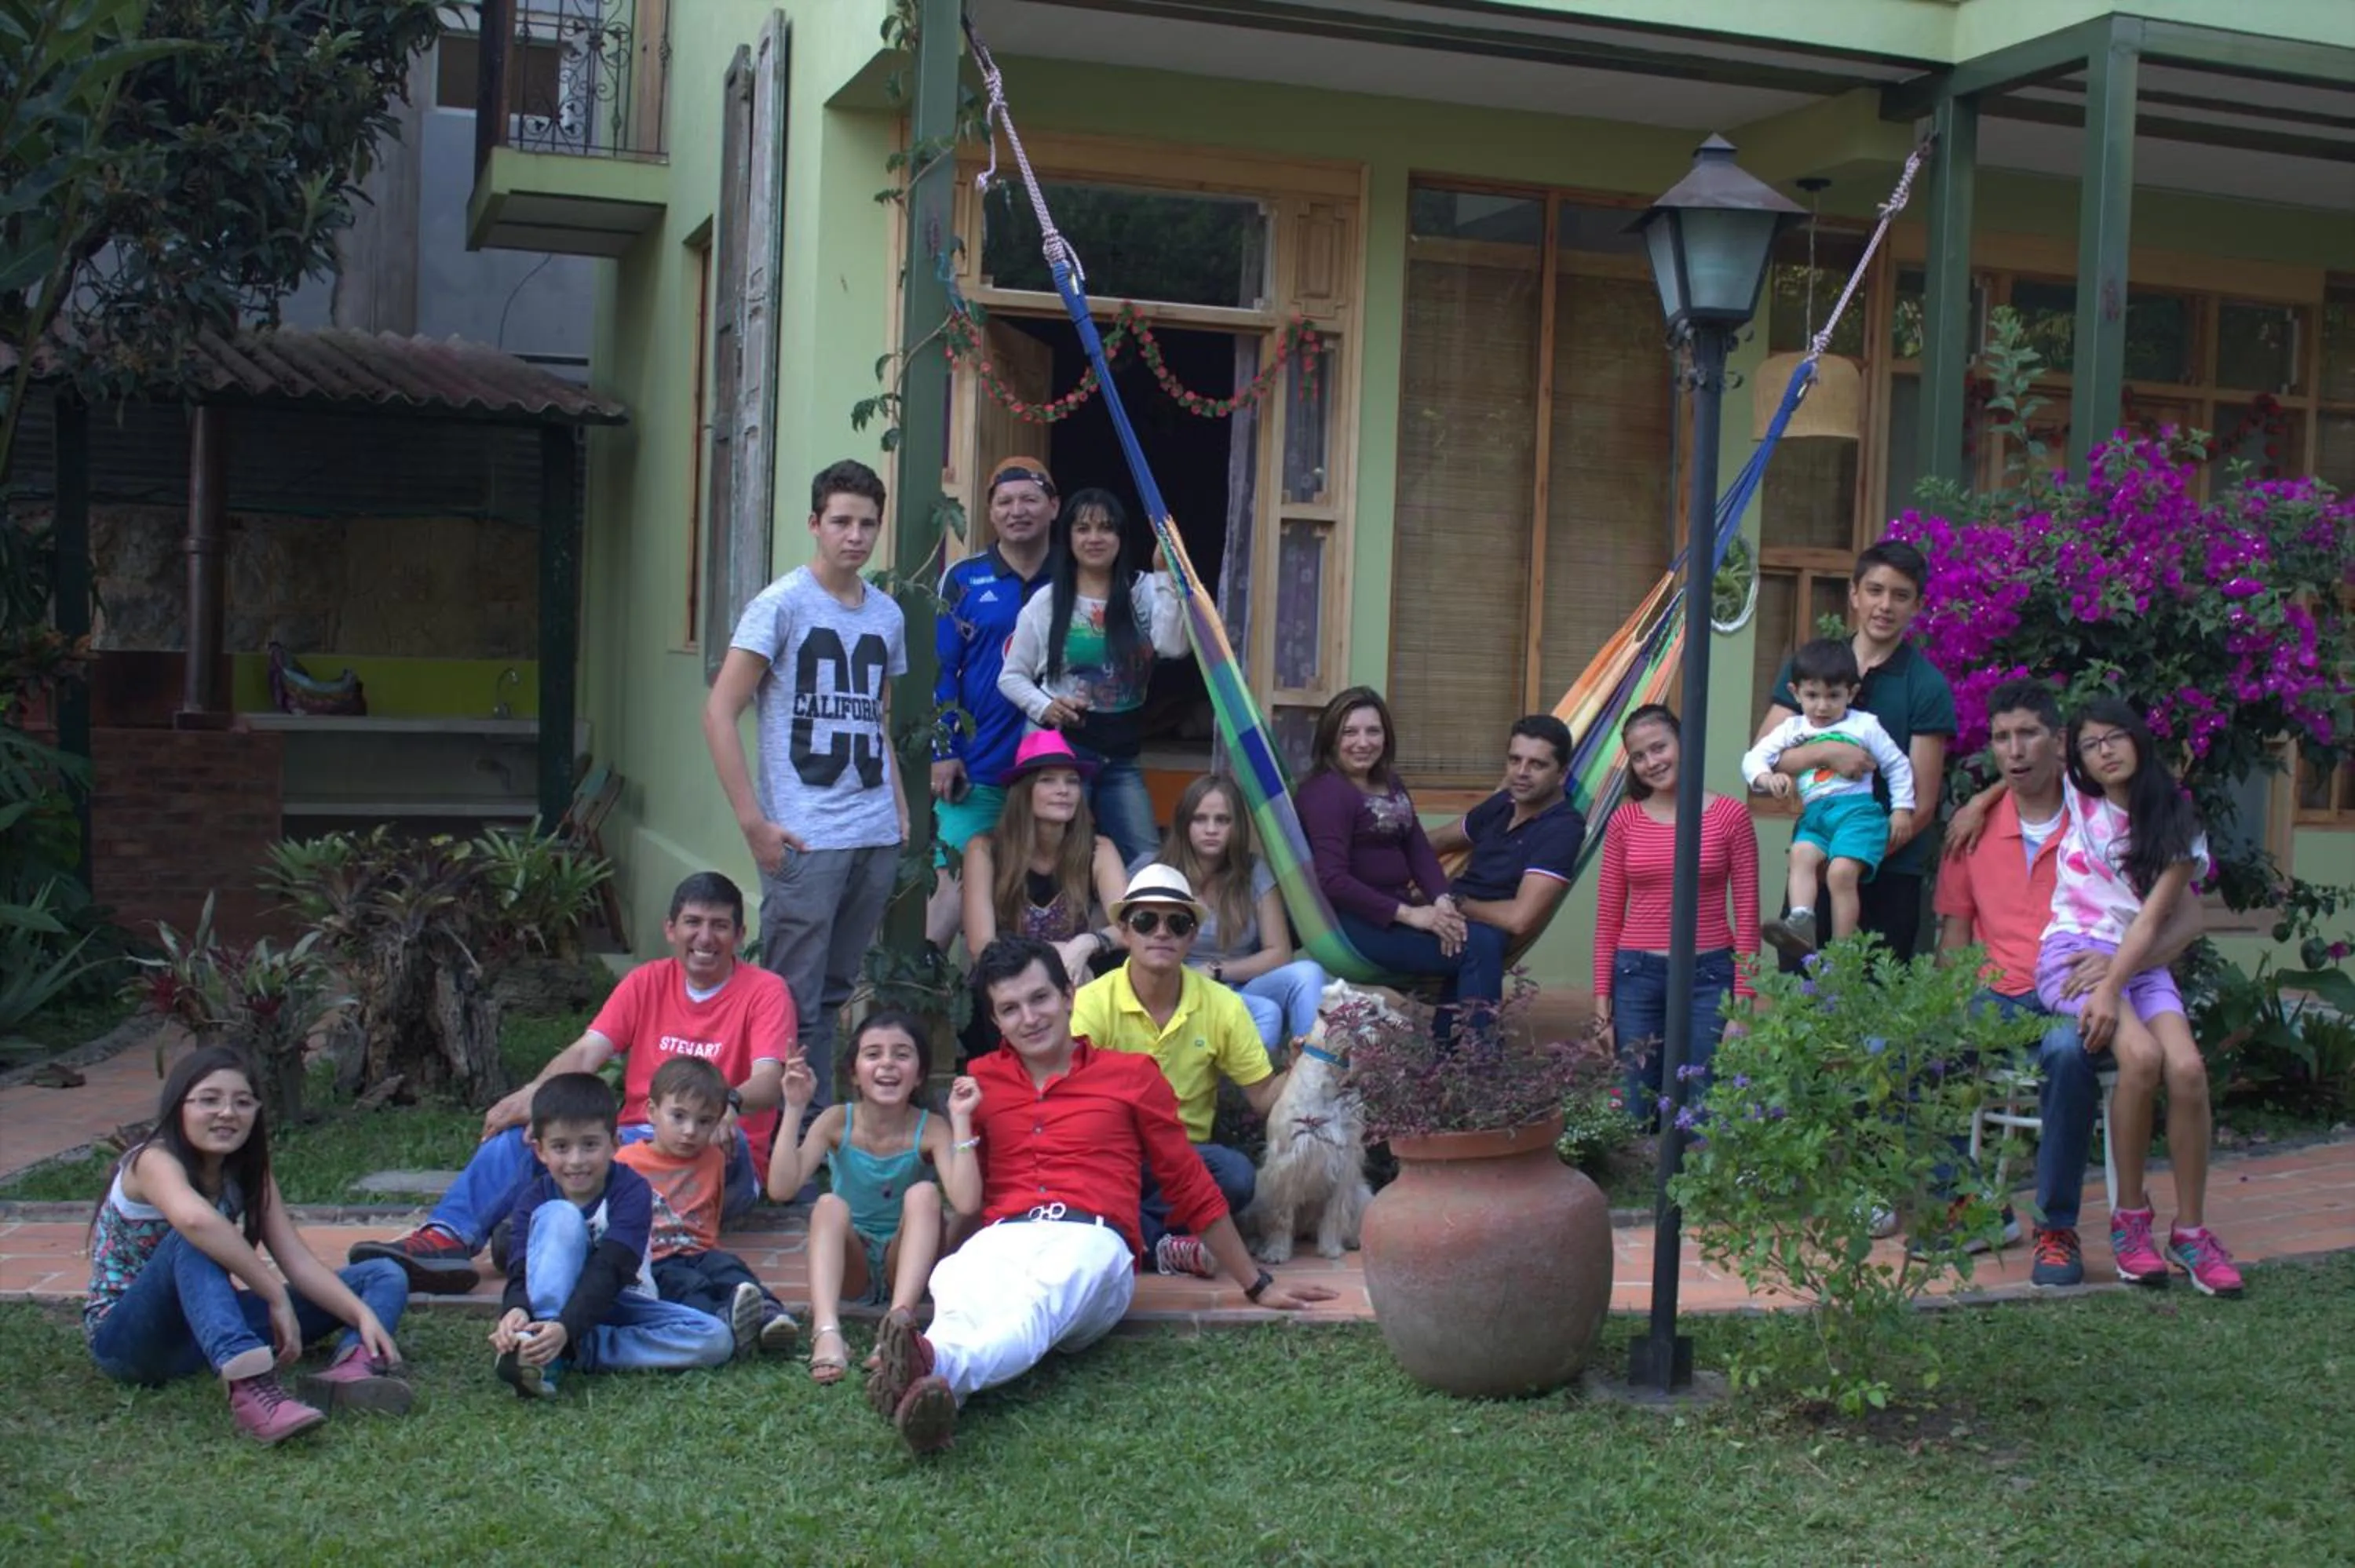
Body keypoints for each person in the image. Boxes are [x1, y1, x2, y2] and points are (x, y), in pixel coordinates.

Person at [860, 938, 1334, 1455]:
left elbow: (1188, 1183)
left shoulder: (1130, 1077)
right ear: (996, 1022)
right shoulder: (983, 1082)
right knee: (959, 1288)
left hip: (1093, 1242)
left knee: (1040, 1299)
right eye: (1010, 1009)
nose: (1030, 1018)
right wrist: (948, 1255)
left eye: (1039, 999)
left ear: (1069, 996)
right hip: (1007, 1233)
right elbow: (975, 1188)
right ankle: (933, 1395)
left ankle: (935, 1366)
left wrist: (1256, 1283)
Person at [351, 873, 790, 1292]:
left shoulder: (765, 991)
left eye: (720, 926)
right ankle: (444, 1240)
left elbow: (770, 1081)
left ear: (739, 933)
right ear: (671, 929)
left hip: (721, 1155)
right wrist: (536, 1097)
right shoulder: (646, 982)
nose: (705, 938)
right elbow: (587, 1052)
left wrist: (729, 1102)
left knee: (610, 1165)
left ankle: (535, 1237)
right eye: (693, 923)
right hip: (635, 1142)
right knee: (526, 1135)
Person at [1935, 680, 2207, 1287]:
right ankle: (1973, 1204)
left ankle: (2055, 1227)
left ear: (2061, 744)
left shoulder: (2099, 810)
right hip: (1998, 995)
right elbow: (1954, 942)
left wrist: (2120, 972)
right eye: (2001, 739)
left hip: (2076, 989)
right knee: (1904, 1049)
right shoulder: (1971, 833)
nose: (2014, 750)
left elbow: (2185, 912)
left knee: (2067, 1050)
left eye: (2028, 734)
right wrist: (1948, 1009)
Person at [705, 458, 910, 1135]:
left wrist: (899, 812)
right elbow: (720, 711)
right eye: (842, 522)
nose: (856, 536)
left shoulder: (885, 614)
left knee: (835, 989)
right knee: (788, 997)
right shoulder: (782, 604)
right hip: (804, 833)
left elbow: (876, 718)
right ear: (815, 524)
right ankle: (776, 1138)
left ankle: (816, 1134)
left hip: (872, 831)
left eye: (868, 524)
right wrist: (753, 823)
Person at [85, 1046, 411, 1444]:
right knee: (191, 1241)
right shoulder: (153, 1160)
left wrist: (361, 1316)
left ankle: (352, 1370)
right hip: (130, 1342)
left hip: (204, 1332)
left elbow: (298, 1262)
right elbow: (195, 1221)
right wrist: (273, 1295)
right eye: (209, 1100)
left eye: (242, 1102)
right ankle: (253, 1390)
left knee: (382, 1272)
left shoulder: (249, 1173)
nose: (227, 1113)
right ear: (178, 1108)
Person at [2033, 697, 2240, 1296]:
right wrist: (1977, 802)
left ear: (2139, 740)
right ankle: (2130, 1221)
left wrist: (2116, 979)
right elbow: (2027, 763)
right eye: (2091, 745)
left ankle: (2192, 1232)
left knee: (2188, 1068)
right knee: (2141, 1058)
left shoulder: (2176, 823)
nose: (2104, 752)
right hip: (2072, 956)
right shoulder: (2079, 801)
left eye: (2114, 737)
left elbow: (2154, 922)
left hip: (2134, 964)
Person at [1072, 864, 1285, 1278]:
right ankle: (1165, 1243)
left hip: (1184, 1158)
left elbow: (1263, 1099)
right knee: (1089, 1180)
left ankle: (1135, 1235)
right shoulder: (1091, 1003)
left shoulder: (1222, 1005)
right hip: (1114, 1154)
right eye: (1147, 920)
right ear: (1126, 931)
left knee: (1237, 1176)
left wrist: (1308, 1060)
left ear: (1191, 937)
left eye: (1178, 923)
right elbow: (1073, 1105)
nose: (1162, 932)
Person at [1751, 539, 1955, 964]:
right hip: (1815, 861)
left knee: (1872, 1010)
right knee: (1801, 997)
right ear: (1854, 594)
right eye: (1876, 590)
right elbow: (1766, 756)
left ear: (1917, 605)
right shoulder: (1813, 667)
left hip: (1887, 868)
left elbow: (1921, 802)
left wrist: (1853, 858)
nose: (1885, 605)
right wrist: (1825, 752)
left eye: (1900, 596)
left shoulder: (1926, 685)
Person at [489, 1074, 742, 1398]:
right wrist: (516, 1309)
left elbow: (611, 1268)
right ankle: (544, 1348)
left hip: (617, 1298)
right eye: (561, 1147)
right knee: (561, 1215)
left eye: (590, 1145)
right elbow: (521, 1268)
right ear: (540, 1151)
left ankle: (571, 1350)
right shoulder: (535, 1199)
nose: (576, 1161)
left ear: (615, 1143)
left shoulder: (632, 1191)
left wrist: (568, 1329)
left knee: (716, 1338)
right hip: (553, 1306)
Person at [768, 1008, 980, 1385]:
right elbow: (782, 1188)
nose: (887, 1064)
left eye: (902, 1054)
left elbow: (965, 1203)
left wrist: (960, 1119)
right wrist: (795, 1107)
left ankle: (896, 1328)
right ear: (854, 1073)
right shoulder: (836, 1120)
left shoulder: (930, 1127)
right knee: (828, 1205)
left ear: (919, 1074)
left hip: (907, 1260)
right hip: (853, 1267)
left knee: (925, 1194)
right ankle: (827, 1331)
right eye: (873, 1054)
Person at [996, 487, 1188, 864]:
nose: (1094, 538)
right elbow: (1011, 676)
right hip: (1061, 755)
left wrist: (1165, 575)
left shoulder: (1144, 590)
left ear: (1121, 537)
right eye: (1082, 528)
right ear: (1067, 538)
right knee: (1060, 857)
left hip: (1122, 754)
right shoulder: (1048, 601)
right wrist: (1046, 706)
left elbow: (1173, 647)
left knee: (1147, 859)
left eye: (1106, 528)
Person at [1590, 704, 1758, 1117]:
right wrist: (1601, 1006)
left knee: (1705, 1101)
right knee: (1636, 1103)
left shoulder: (1730, 815)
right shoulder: (1624, 821)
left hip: (1710, 973)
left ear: (1684, 744)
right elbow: (1608, 919)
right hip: (1636, 977)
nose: (1651, 762)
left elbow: (1749, 915)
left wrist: (1744, 1002)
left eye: (1659, 747)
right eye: (1639, 756)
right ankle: (1642, 1182)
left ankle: (1696, 1182)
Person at [928, 457, 1059, 945]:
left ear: (1053, 506)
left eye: (1029, 499)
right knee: (949, 895)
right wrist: (944, 752)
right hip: (978, 768)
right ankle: (915, 1012)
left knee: (1043, 903)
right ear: (990, 512)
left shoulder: (1078, 573)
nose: (1017, 510)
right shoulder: (963, 578)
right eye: (1005, 502)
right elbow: (941, 671)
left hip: (1054, 770)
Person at [1296, 687, 1477, 1016]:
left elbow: (1417, 846)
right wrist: (1413, 915)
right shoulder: (1327, 793)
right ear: (1330, 738)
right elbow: (1333, 880)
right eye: (1349, 732)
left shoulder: (1389, 782)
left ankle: (1451, 1048)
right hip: (1360, 925)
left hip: (1401, 914)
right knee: (1477, 950)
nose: (1363, 742)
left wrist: (1441, 901)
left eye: (1373, 731)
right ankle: (1468, 1053)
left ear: (1386, 736)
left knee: (1473, 939)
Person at [1741, 638, 1916, 958]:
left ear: (1851, 693)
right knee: (1801, 855)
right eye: (1812, 696)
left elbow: (1897, 765)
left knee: (1840, 874)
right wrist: (1768, 777)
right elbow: (1753, 759)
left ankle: (1842, 953)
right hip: (1815, 816)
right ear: (1795, 693)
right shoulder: (1792, 728)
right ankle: (1801, 923)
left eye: (1833, 696)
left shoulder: (1864, 725)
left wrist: (1902, 810)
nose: (1822, 707)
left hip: (1858, 814)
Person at [617, 1056, 799, 1356]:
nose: (690, 1131)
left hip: (702, 1251)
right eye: (678, 1116)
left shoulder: (713, 1157)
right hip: (658, 1259)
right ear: (652, 1112)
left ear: (718, 1121)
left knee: (731, 1270)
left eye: (704, 1121)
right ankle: (721, 1320)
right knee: (690, 1287)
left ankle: (769, 1317)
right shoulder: (626, 1162)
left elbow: (711, 1211)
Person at [1143, 773, 1327, 1056]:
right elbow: (1132, 936)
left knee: (1308, 972)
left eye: (1222, 820)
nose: (1211, 829)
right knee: (1267, 1012)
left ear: (1236, 826)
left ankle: (1312, 1070)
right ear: (1184, 824)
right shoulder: (1158, 871)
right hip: (1180, 989)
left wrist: (1216, 970)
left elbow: (1279, 953)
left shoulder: (1253, 871)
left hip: (1241, 986)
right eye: (1200, 819)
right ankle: (1251, 1090)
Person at [1428, 714, 1587, 1026]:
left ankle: (1474, 1061)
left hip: (1474, 930)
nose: (1521, 773)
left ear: (1561, 774)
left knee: (1480, 943)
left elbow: (1519, 918)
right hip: (1444, 921)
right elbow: (1441, 840)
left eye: (1537, 765)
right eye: (1515, 760)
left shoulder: (1562, 828)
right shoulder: (1503, 803)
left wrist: (1454, 900)